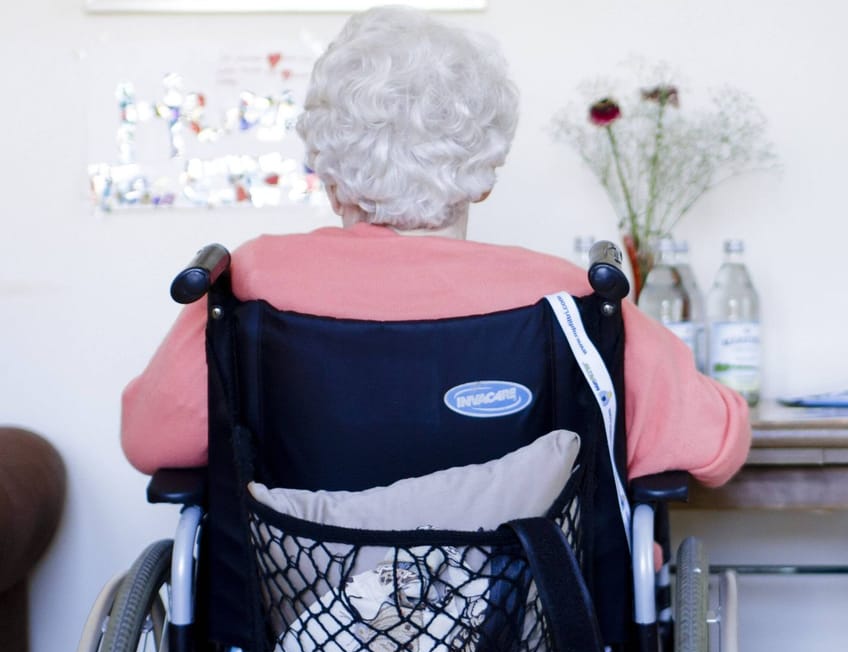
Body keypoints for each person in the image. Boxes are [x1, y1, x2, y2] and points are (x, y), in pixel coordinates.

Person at [120, 4, 750, 488]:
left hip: (310, 636)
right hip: (522, 635)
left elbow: (150, 440)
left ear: (327, 168)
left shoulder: (251, 280)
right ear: (485, 169)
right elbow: (715, 442)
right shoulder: (565, 298)